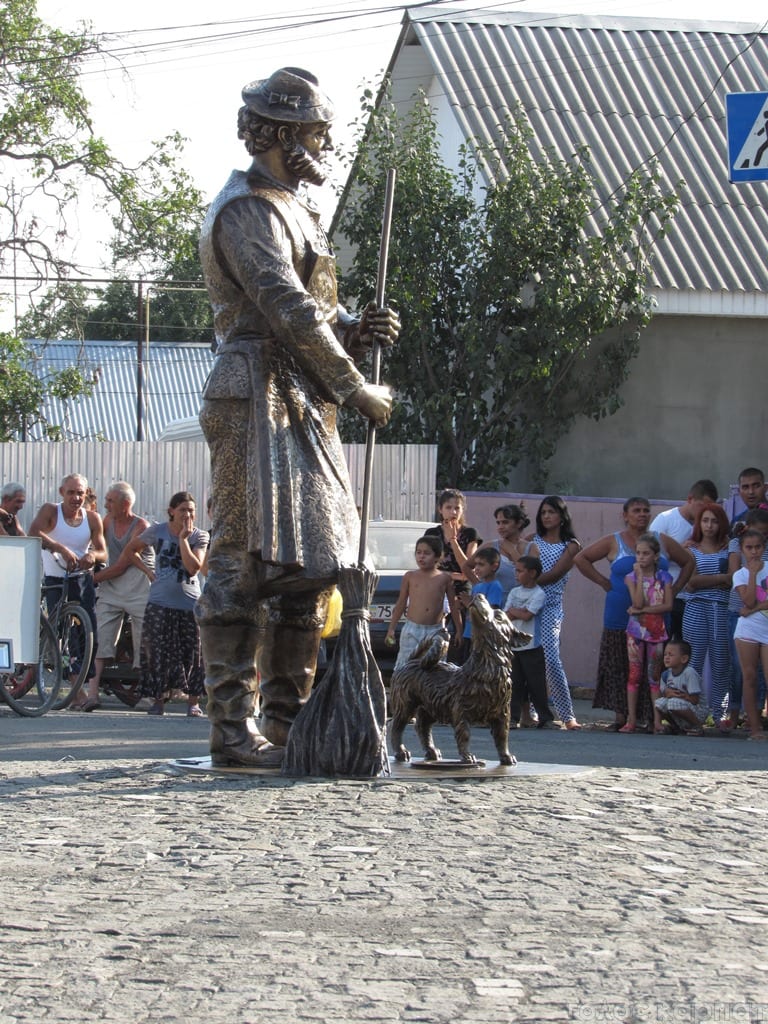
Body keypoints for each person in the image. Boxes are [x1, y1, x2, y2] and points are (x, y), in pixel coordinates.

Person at [196, 68, 400, 765]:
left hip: (298, 396)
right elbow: (283, 306)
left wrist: (354, 326)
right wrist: (355, 387)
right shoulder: (245, 210)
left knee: (310, 567)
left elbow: (313, 308)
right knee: (241, 559)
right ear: (284, 135)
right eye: (317, 132)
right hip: (254, 392)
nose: (326, 143)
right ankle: (231, 730)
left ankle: (286, 722)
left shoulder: (293, 208)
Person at [574, 496, 694, 730]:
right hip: (620, 613)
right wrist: (602, 582)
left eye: (646, 511)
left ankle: (652, 717)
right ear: (625, 515)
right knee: (620, 664)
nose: (642, 514)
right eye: (636, 510)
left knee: (653, 668)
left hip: (656, 618)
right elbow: (581, 558)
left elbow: (688, 562)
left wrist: (676, 589)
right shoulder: (613, 541)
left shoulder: (662, 541)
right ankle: (623, 716)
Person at [126, 492, 209, 717]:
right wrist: (148, 572)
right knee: (156, 653)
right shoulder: (157, 531)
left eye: (191, 510)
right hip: (160, 602)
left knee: (193, 653)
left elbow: (193, 567)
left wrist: (183, 540)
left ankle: (193, 702)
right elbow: (131, 550)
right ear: (171, 511)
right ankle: (158, 700)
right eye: (183, 509)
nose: (187, 514)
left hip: (189, 603)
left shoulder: (199, 536)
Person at [74, 482, 154, 712]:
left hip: (138, 584)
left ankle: (147, 694)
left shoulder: (141, 526)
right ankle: (92, 693)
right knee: (100, 635)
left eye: (110, 501)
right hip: (112, 585)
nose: (106, 505)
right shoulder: (108, 521)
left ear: (125, 504)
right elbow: (97, 548)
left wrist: (88, 580)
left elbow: (121, 565)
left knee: (143, 640)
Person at [530, 496, 582, 730]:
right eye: (543, 513)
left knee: (551, 658)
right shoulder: (532, 540)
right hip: (527, 606)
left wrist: (527, 578)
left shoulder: (571, 545)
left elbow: (554, 574)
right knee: (526, 659)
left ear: (562, 516)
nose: (547, 516)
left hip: (550, 606)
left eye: (551, 512)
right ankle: (530, 710)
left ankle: (567, 714)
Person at [28, 472, 106, 625]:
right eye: (71, 492)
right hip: (55, 579)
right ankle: (52, 647)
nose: (76, 498)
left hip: (81, 579)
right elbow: (34, 533)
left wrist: (92, 555)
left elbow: (103, 553)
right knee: (57, 628)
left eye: (80, 493)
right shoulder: (50, 510)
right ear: (61, 492)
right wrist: (61, 549)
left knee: (87, 632)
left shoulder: (92, 518)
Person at [681, 502, 732, 728]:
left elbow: (734, 579)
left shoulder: (730, 548)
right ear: (698, 524)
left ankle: (719, 714)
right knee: (694, 661)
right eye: (705, 520)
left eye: (714, 521)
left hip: (722, 608)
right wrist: (721, 578)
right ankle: (692, 712)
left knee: (722, 661)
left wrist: (711, 580)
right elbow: (691, 583)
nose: (709, 526)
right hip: (696, 607)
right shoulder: (690, 549)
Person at [649, 479, 718, 640]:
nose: (705, 512)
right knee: (663, 647)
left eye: (710, 508)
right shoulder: (665, 519)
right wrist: (679, 549)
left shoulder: (708, 526)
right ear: (690, 499)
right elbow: (647, 554)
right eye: (702, 505)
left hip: (696, 598)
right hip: (667, 595)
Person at [621, 534, 673, 733]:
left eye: (646, 553)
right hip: (635, 632)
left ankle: (657, 720)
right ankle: (631, 719)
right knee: (634, 675)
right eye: (638, 553)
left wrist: (642, 611)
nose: (641, 558)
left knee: (654, 677)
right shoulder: (631, 578)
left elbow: (666, 605)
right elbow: (637, 603)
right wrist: (640, 578)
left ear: (655, 556)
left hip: (656, 632)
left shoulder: (664, 578)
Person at [386, 536, 461, 671]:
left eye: (427, 553)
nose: (421, 557)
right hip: (412, 629)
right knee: (406, 668)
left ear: (437, 557)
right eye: (418, 552)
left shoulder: (444, 578)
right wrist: (391, 628)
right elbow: (401, 602)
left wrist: (459, 631)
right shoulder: (410, 576)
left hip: (435, 630)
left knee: (434, 669)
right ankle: (403, 692)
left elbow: (454, 605)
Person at [723, 507, 768, 729]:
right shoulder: (741, 572)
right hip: (744, 624)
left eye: (759, 546)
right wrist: (752, 573)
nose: (754, 552)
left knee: (764, 675)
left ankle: (759, 716)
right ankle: (744, 718)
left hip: (764, 624)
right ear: (742, 548)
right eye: (749, 548)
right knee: (745, 673)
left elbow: (751, 606)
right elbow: (747, 601)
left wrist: (752, 609)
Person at [504, 555, 556, 730]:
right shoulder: (514, 592)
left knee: (536, 683)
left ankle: (545, 717)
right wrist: (518, 611)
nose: (516, 574)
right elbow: (506, 615)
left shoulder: (539, 594)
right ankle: (513, 717)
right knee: (515, 683)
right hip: (513, 645)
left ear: (532, 573)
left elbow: (528, 615)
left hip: (532, 645)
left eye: (520, 571)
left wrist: (515, 611)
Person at [466, 503, 536, 603]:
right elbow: (467, 566)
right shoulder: (490, 546)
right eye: (498, 523)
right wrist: (481, 587)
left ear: (519, 523)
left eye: (505, 522)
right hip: (492, 607)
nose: (500, 527)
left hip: (519, 608)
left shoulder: (531, 548)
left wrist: (512, 551)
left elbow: (532, 577)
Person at [458, 545, 503, 663]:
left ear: (494, 566)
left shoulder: (495, 587)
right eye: (476, 564)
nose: (477, 568)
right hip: (469, 633)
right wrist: (462, 605)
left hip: (482, 638)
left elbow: (490, 614)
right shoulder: (477, 586)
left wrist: (469, 604)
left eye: (481, 565)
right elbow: (470, 608)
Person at [654, 639, 707, 735]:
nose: (666, 657)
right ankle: (676, 727)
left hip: (697, 710)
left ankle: (697, 726)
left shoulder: (689, 673)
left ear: (684, 659)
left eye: (671, 655)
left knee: (673, 703)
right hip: (678, 707)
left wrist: (680, 696)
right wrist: (667, 693)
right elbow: (662, 694)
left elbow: (695, 700)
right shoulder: (666, 675)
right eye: (665, 654)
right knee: (659, 703)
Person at [730, 467, 767, 534]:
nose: (751, 492)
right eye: (745, 487)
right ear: (739, 492)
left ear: (765, 488)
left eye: (756, 486)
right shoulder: (737, 521)